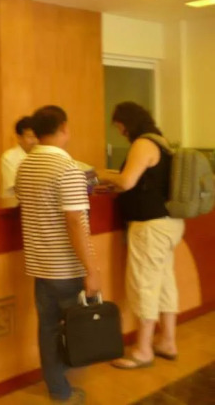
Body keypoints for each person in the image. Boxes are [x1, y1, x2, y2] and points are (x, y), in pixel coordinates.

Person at [15, 105, 100, 404]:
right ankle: (65, 385)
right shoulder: (68, 169)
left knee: (48, 329)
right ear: (64, 127)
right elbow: (75, 221)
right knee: (78, 328)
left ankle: (58, 390)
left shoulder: (25, 166)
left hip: (41, 265)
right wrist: (92, 269)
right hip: (67, 268)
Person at [96, 101, 184, 369]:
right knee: (164, 281)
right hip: (169, 223)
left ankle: (143, 350)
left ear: (128, 121)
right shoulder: (161, 142)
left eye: (119, 126)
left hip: (149, 226)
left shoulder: (143, 143)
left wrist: (100, 174)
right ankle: (167, 341)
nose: (120, 131)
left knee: (144, 284)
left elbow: (127, 181)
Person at [0, 116, 38, 198]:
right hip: (14, 203)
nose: (35, 141)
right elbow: (16, 186)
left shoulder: (41, 155)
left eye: (37, 136)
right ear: (19, 138)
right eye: (31, 137)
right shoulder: (9, 157)